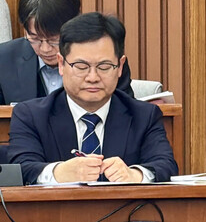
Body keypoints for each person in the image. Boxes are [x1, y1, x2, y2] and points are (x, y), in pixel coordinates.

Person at [8, 12, 177, 184]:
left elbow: (165, 165)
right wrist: (58, 172)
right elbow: (20, 168)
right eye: (81, 66)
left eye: (104, 66)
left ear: (120, 67)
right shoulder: (31, 116)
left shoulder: (144, 116)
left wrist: (135, 175)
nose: (93, 77)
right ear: (61, 64)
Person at [0, 0, 133, 105]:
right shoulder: (4, 60)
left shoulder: (105, 60)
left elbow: (124, 112)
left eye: (54, 39)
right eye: (35, 38)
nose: (45, 49)